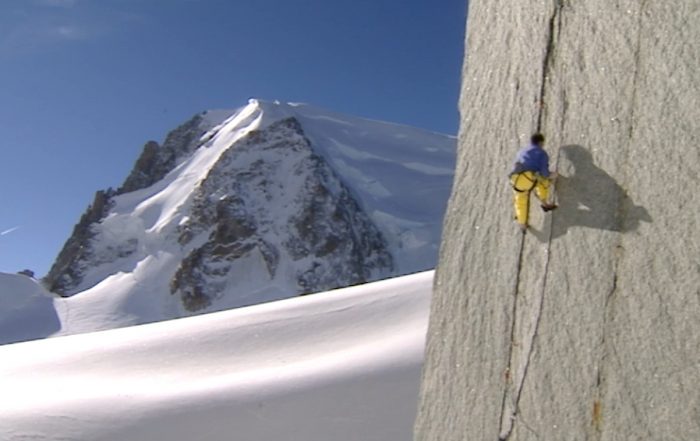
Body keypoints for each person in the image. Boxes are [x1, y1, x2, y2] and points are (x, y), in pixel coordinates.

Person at [509, 133, 557, 231]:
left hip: (514, 178)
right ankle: (545, 204)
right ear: (541, 142)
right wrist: (553, 175)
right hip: (527, 178)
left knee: (520, 200)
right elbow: (545, 173)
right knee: (543, 182)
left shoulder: (522, 151)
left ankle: (522, 224)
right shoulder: (541, 153)